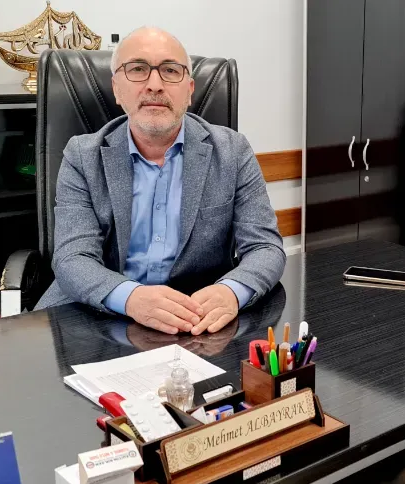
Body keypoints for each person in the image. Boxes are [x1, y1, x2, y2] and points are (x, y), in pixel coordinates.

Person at [35, 26, 285, 336]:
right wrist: (131, 297)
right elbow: (73, 258)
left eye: (170, 71)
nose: (155, 85)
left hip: (198, 318)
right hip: (100, 316)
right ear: (116, 88)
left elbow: (265, 247)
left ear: (189, 90)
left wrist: (231, 291)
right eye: (138, 69)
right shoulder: (82, 156)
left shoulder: (232, 151)